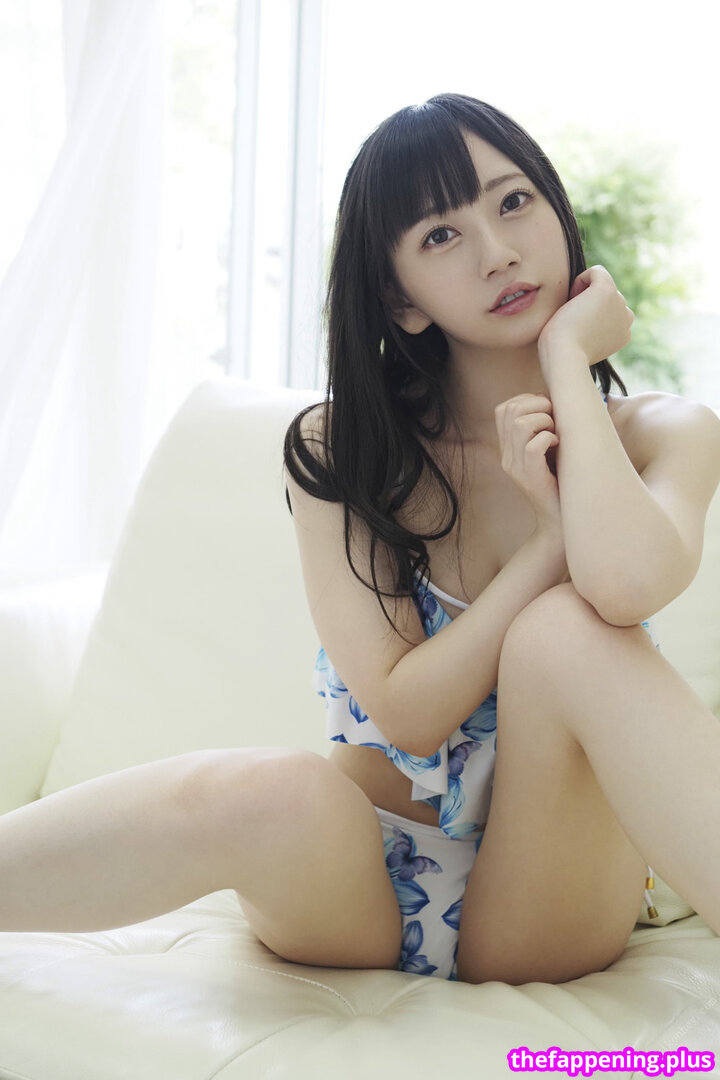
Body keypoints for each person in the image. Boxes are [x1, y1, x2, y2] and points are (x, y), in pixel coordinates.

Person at [0, 93, 719, 988]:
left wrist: (568, 365)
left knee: (568, 632)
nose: (497, 251)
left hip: (551, 892)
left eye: (513, 202)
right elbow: (408, 712)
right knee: (272, 789)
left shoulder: (664, 435)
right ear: (400, 301)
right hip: (364, 882)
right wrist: (544, 547)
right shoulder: (344, 450)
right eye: (441, 235)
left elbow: (626, 583)